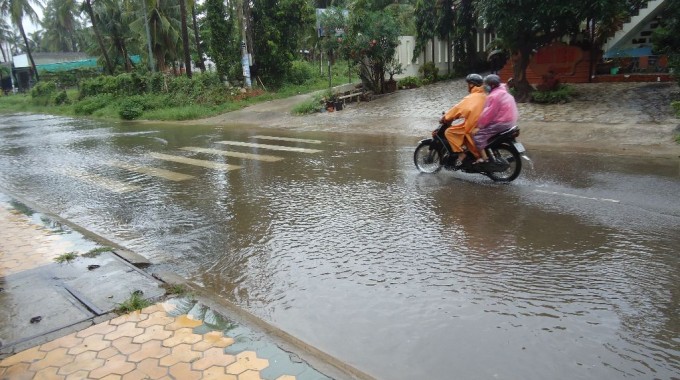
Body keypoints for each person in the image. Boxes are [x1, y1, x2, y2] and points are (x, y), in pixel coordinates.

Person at [439, 73, 487, 166]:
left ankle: (462, 154)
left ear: (471, 84)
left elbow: (458, 108)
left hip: (472, 126)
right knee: (459, 130)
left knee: (449, 132)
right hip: (479, 124)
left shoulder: (471, 97)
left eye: (468, 84)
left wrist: (446, 117)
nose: (467, 86)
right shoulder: (483, 95)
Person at [472, 74, 519, 163]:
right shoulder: (503, 90)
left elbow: (488, 114)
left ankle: (484, 159)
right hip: (510, 121)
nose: (484, 86)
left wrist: (479, 126)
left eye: (486, 84)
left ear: (492, 85)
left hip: (501, 122)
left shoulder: (494, 96)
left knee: (478, 136)